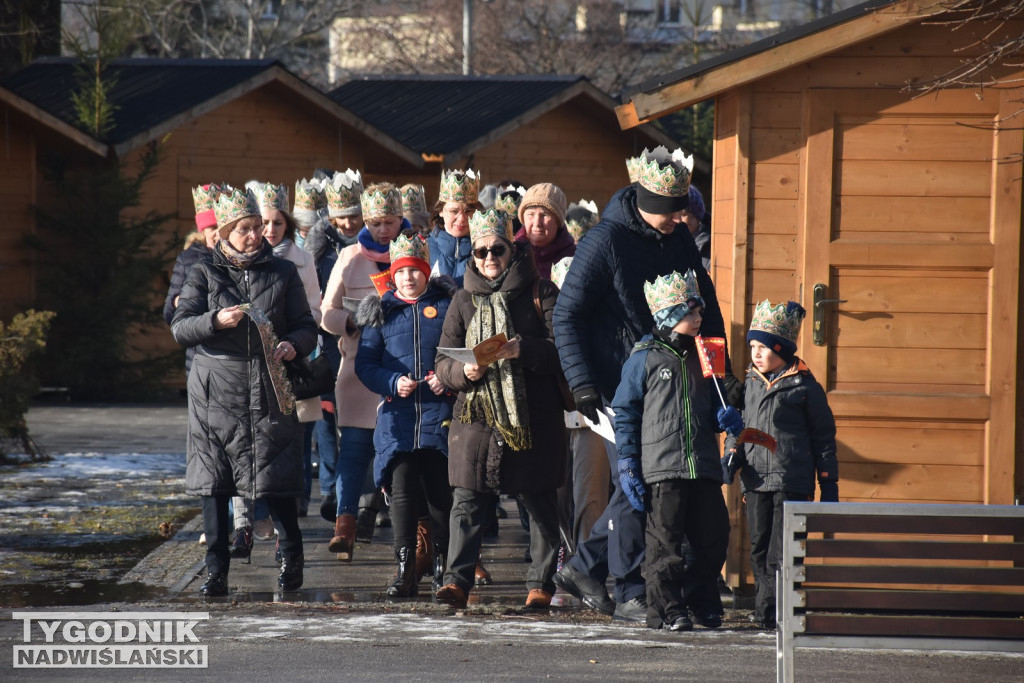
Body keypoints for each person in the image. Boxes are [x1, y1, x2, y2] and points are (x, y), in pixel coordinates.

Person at [552, 146, 735, 623]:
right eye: (673, 210)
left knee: (639, 489)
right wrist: (583, 383)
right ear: (650, 205)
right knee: (646, 489)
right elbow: (567, 314)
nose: (682, 218)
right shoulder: (603, 241)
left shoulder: (675, 239)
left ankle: (585, 566)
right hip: (619, 386)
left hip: (672, 386)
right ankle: (633, 590)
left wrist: (721, 377)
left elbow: (708, 313)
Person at [171, 185, 317, 596]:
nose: (255, 235)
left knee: (276, 477)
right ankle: (216, 568)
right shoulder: (202, 271)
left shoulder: (283, 272)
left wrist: (293, 345)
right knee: (215, 484)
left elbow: (306, 327)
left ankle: (291, 558)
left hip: (269, 385)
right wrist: (216, 319)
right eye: (244, 229)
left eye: (258, 227)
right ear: (224, 233)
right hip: (216, 390)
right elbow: (181, 327)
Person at [433, 209, 567, 609]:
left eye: (497, 249)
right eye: (481, 251)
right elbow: (442, 362)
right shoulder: (462, 299)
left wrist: (522, 348)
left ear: (513, 250)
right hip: (476, 418)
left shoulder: (542, 293)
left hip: (533, 416)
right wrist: (463, 371)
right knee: (467, 501)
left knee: (539, 500)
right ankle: (456, 581)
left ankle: (541, 582)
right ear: (472, 256)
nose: (489, 257)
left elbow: (563, 350)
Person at [612, 269, 742, 631]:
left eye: (699, 312)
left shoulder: (706, 357)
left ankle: (701, 602)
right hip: (663, 465)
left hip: (701, 462)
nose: (699, 319)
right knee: (664, 543)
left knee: (713, 538)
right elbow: (626, 411)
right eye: (690, 313)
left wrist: (724, 417)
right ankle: (668, 609)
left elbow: (713, 402)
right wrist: (627, 460)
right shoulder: (645, 357)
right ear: (668, 316)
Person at [723, 299, 839, 630]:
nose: (756, 353)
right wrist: (732, 453)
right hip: (756, 479)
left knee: (783, 549)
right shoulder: (751, 384)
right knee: (758, 548)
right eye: (753, 346)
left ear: (782, 348)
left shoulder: (805, 387)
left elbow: (824, 438)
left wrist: (829, 484)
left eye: (764, 346)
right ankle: (766, 608)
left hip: (791, 479)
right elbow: (743, 427)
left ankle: (778, 611)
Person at [354, 234, 456, 598]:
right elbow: (365, 365)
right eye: (402, 271)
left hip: (439, 414)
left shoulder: (447, 306)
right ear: (392, 275)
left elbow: (460, 352)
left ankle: (443, 565)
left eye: (415, 270)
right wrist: (392, 381)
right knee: (402, 492)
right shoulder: (381, 313)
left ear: (426, 272)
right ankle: (405, 567)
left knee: (441, 493)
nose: (408, 277)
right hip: (398, 419)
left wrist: (446, 378)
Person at [320, 182, 405, 561]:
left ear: (400, 219)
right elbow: (327, 314)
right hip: (358, 365)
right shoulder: (350, 257)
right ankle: (346, 524)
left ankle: (408, 532)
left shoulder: (414, 250)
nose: (383, 229)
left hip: (404, 367)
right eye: (376, 222)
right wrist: (355, 319)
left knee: (402, 452)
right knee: (353, 449)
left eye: (390, 221)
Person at [305, 169, 364, 523]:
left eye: (353, 214)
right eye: (340, 215)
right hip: (328, 341)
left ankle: (366, 496)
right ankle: (331, 489)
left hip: (364, 339)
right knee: (327, 418)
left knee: (360, 423)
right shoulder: (321, 249)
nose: (346, 222)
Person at [549, 257, 607, 556]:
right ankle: (562, 553)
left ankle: (587, 561)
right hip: (554, 418)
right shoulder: (546, 323)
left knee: (590, 494)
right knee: (555, 494)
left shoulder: (602, 325)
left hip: (592, 418)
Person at [164, 184, 220, 377]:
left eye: (222, 226)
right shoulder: (188, 259)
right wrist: (179, 302)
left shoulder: (236, 259)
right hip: (198, 351)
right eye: (212, 227)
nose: (218, 233)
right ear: (202, 230)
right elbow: (169, 313)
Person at [426, 169, 480, 285]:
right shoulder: (424, 248)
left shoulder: (485, 250)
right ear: (440, 211)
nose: (461, 218)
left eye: (468, 211)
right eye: (454, 211)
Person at [514, 183, 575, 279]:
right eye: (531, 214)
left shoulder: (574, 257)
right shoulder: (511, 252)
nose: (537, 223)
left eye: (544, 215)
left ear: (558, 221)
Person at [681, 185, 710, 272]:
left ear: (697, 217)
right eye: (673, 214)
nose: (676, 220)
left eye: (683, 214)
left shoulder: (712, 248)